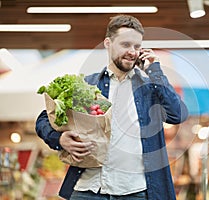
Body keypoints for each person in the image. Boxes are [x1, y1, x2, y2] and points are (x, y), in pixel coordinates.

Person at [35, 14, 188, 200]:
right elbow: (44, 119)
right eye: (125, 45)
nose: (132, 52)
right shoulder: (87, 85)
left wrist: (155, 71)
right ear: (108, 43)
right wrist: (59, 139)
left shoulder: (150, 88)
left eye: (137, 46)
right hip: (88, 190)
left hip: (136, 192)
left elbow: (178, 114)